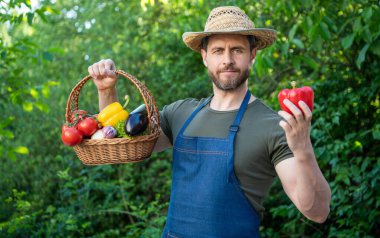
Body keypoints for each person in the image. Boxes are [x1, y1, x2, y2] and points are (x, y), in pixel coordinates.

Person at [88, 6, 331, 238]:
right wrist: (106, 91)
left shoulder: (272, 125)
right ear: (204, 57)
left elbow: (317, 211)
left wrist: (303, 149)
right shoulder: (180, 114)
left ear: (252, 55)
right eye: (217, 50)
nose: (227, 60)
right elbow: (120, 148)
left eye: (237, 49)